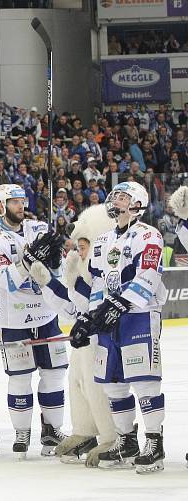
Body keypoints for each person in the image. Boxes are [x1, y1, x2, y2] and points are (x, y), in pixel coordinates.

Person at [70, 182, 166, 474]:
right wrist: (90, 316)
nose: (116, 200)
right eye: (115, 196)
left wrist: (119, 305)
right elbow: (99, 282)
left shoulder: (149, 235)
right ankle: (127, 441)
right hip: (110, 322)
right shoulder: (102, 241)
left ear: (137, 203)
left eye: (123, 197)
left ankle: (154, 442)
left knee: (145, 382)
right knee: (113, 384)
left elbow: (148, 275)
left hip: (138, 315)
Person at [0, 184, 72, 458]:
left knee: (55, 374)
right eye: (14, 201)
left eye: (22, 200)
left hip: (47, 315)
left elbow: (60, 269)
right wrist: (28, 260)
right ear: (0, 207)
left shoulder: (39, 229)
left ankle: (52, 431)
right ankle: (22, 433)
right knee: (20, 378)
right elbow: (5, 280)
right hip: (13, 319)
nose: (21, 205)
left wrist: (55, 258)